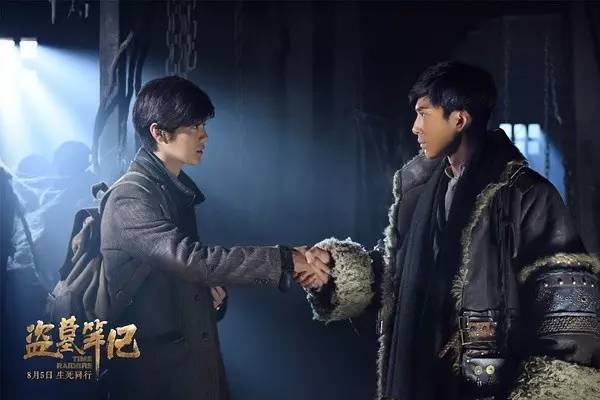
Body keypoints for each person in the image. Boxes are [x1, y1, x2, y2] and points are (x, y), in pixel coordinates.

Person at [304, 61, 600, 400]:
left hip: (485, 385)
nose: (415, 127)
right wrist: (335, 271)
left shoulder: (527, 195)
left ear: (459, 120)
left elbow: (570, 315)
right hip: (418, 379)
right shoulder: (418, 195)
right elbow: (399, 280)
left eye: (424, 114)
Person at [100, 76, 331, 400]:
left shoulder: (171, 190)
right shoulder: (131, 197)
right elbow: (193, 261)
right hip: (152, 379)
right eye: (193, 126)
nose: (204, 135)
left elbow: (181, 274)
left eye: (203, 125)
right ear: (159, 133)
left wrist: (207, 297)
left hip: (187, 370)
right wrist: (286, 259)